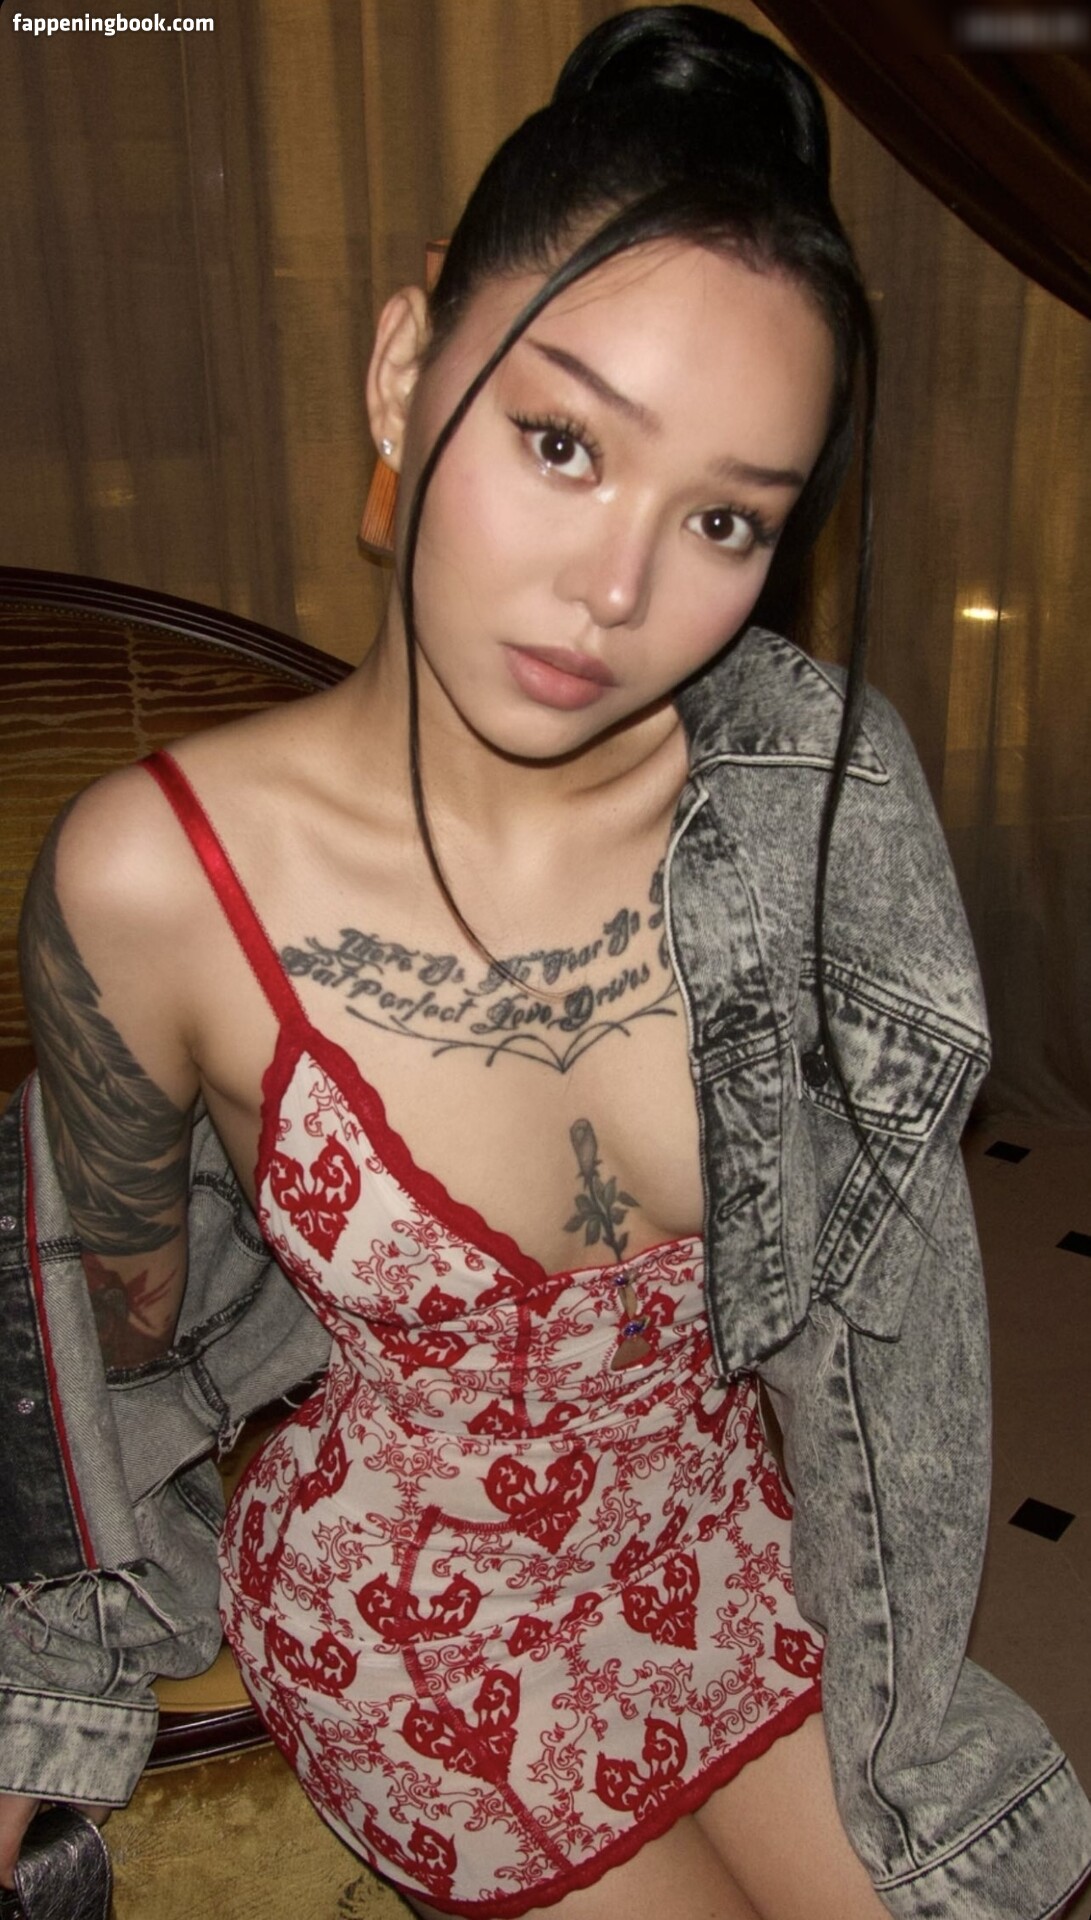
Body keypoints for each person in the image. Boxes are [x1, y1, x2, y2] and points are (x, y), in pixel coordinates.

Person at [2, 8, 1090, 1918]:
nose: (619, 592)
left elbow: (893, 1324)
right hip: (415, 1619)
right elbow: (98, 1359)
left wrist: (915, 1716)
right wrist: (43, 1698)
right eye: (563, 442)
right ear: (405, 368)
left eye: (726, 517)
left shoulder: (814, 812)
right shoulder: (154, 881)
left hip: (730, 1536)